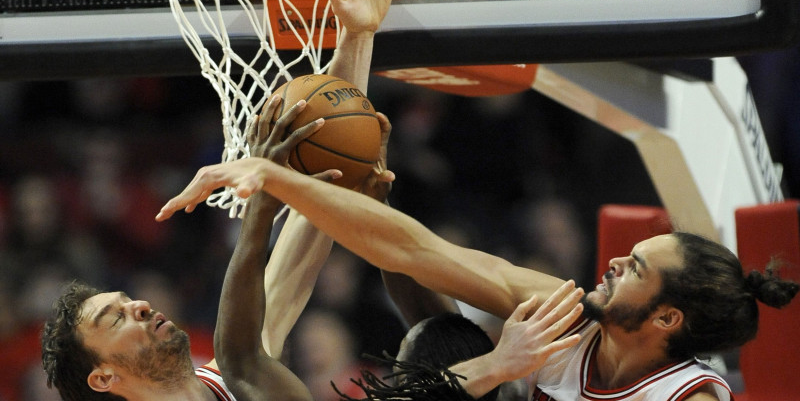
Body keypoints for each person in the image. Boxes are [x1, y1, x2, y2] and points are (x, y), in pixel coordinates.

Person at [40, 0, 421, 399]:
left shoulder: (237, 378)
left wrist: (357, 34)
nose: (140, 306)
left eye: (127, 302)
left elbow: (308, 229)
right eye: (116, 318)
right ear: (103, 378)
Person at [156, 150, 800, 400]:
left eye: (634, 269)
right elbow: (418, 252)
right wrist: (281, 179)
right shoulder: (562, 312)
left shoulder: (690, 399)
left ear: (666, 318)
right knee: (438, 343)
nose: (612, 263)